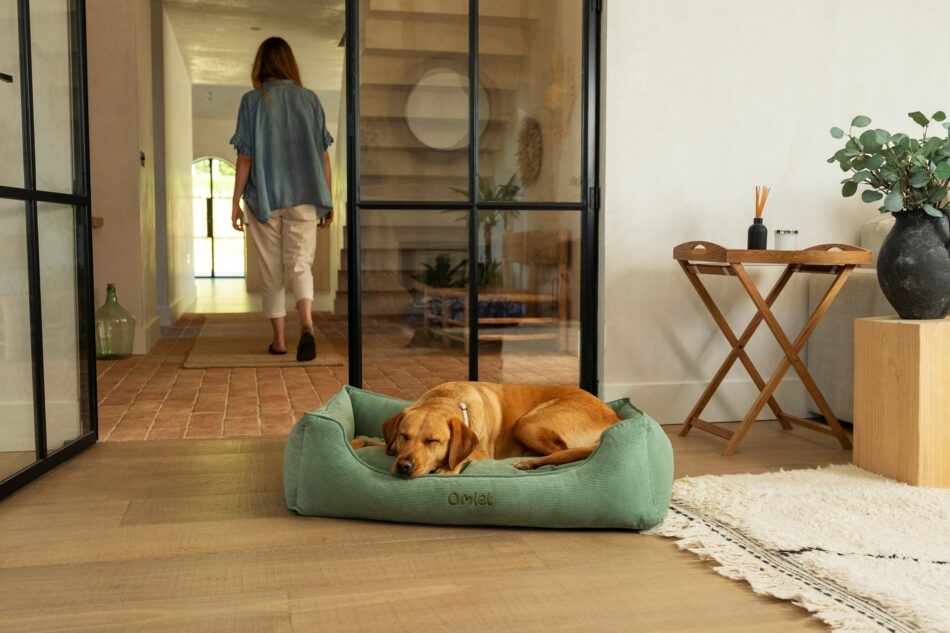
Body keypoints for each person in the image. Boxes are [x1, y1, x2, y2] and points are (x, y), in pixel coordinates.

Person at [230, 36, 334, 362]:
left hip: (264, 198)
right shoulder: (310, 100)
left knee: (271, 269)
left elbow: (245, 158)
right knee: (300, 264)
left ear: (261, 64)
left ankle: (279, 341)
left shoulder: (252, 101)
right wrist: (327, 200)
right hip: (304, 196)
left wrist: (234, 201)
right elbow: (323, 157)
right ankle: (306, 324)